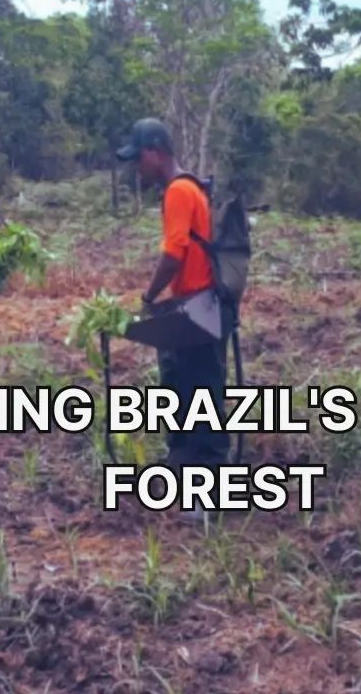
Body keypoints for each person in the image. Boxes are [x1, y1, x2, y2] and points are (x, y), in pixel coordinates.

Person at [116, 118, 231, 480]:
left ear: (156, 151)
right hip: (193, 302)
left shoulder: (179, 191)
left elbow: (173, 254)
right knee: (178, 383)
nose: (137, 166)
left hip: (199, 304)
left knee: (201, 394)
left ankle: (210, 485)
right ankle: (181, 463)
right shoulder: (187, 187)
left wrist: (149, 296)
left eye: (140, 157)